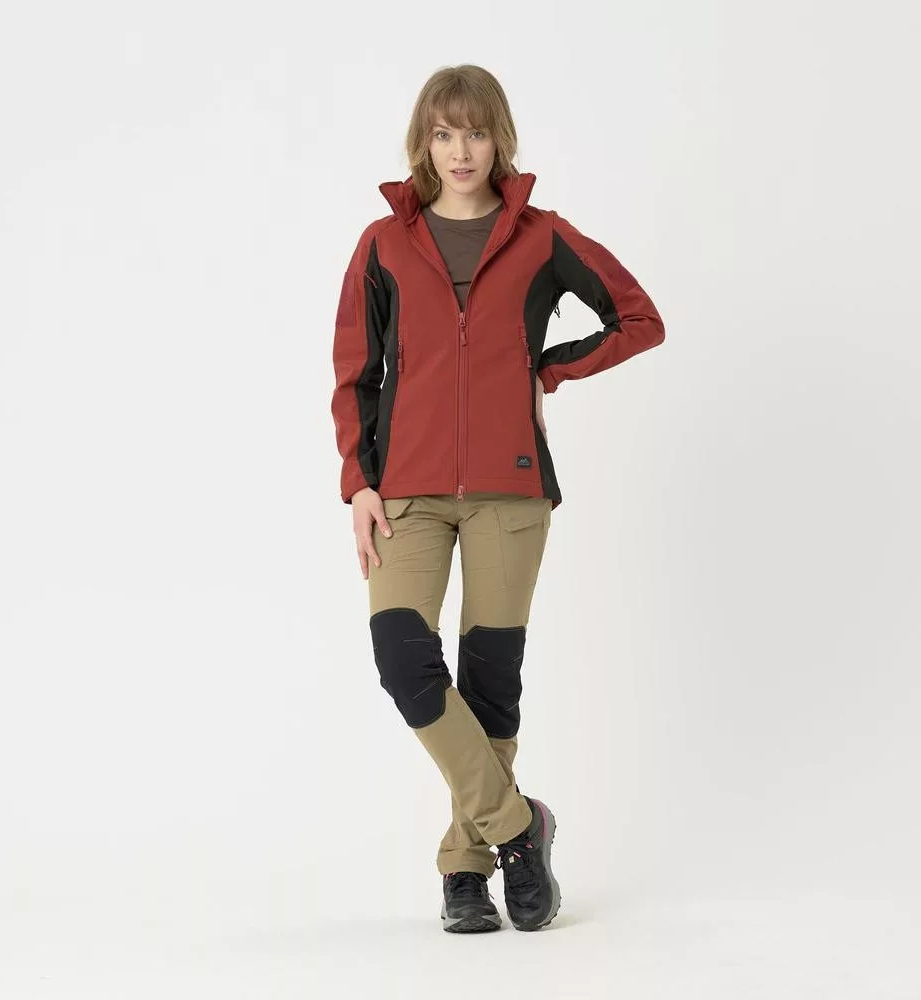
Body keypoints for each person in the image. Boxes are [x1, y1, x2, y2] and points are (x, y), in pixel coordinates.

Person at [330, 64, 665, 933]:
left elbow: (639, 319)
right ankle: (520, 829)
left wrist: (545, 369)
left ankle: (464, 872)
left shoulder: (542, 237)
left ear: (499, 139)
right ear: (424, 142)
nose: (461, 150)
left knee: (488, 682)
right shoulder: (383, 244)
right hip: (406, 493)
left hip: (510, 493)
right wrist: (358, 482)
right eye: (444, 133)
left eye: (476, 132)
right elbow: (356, 373)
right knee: (404, 660)